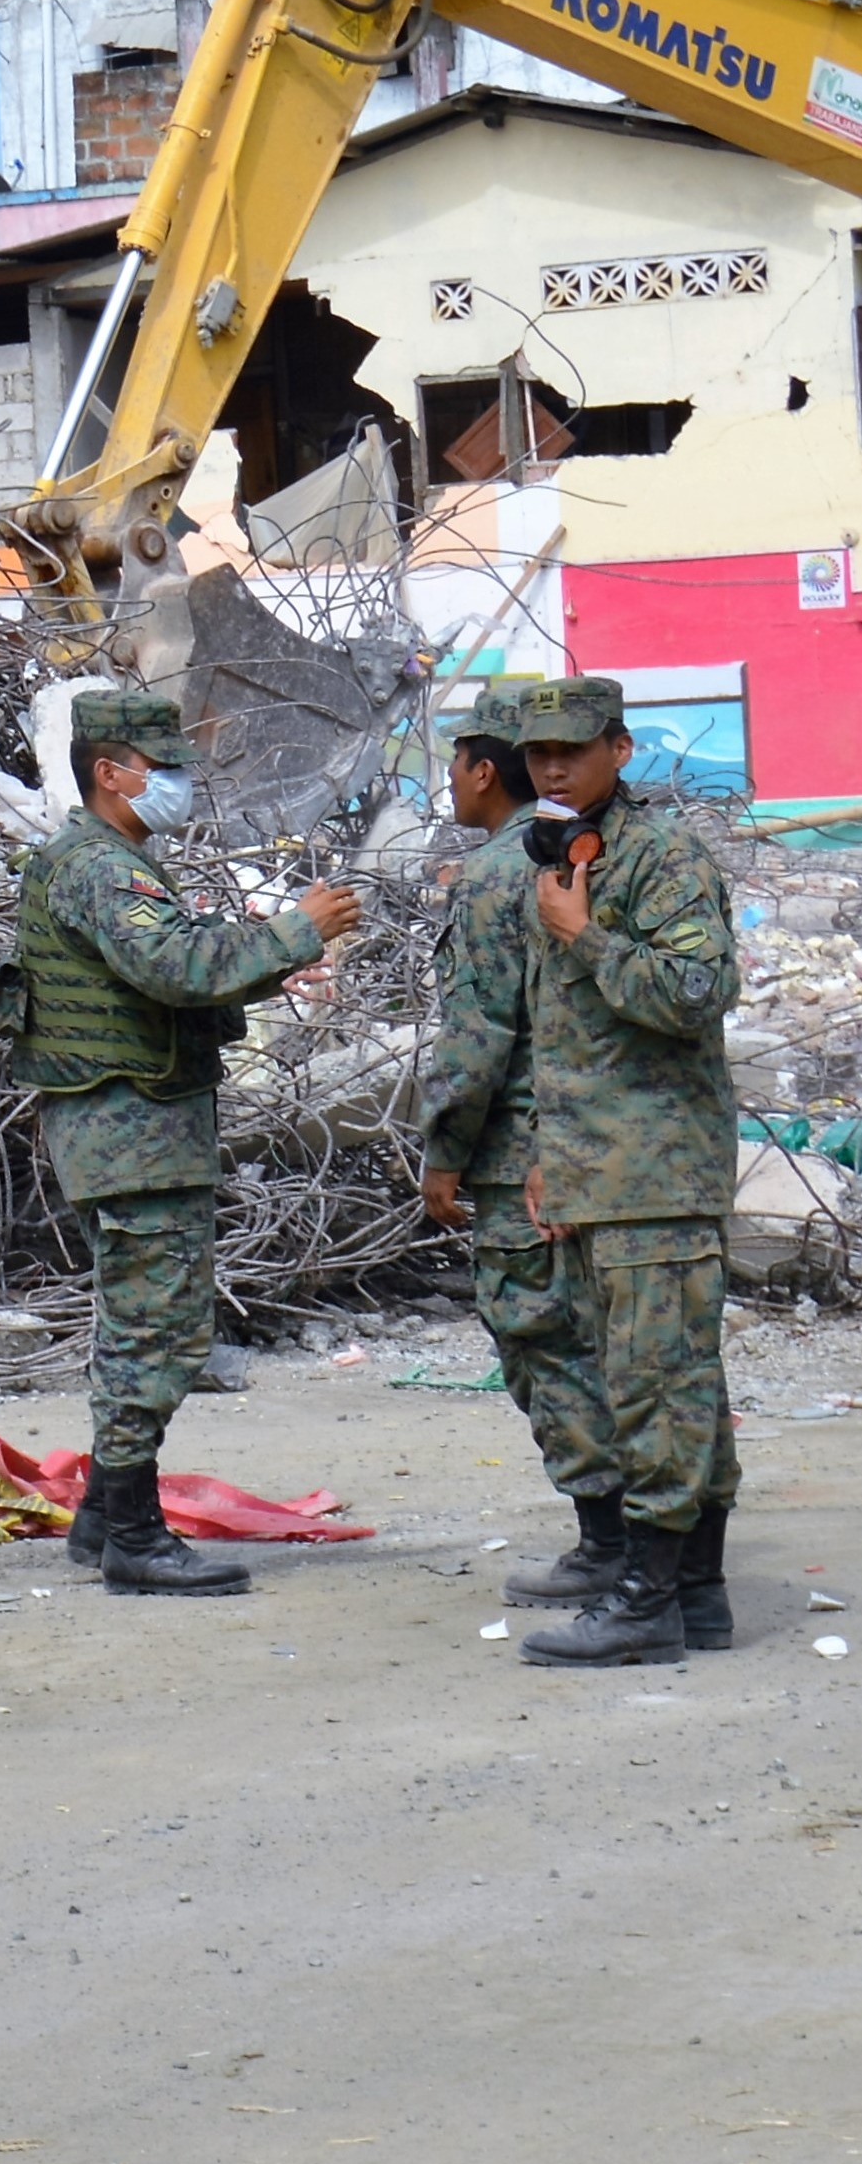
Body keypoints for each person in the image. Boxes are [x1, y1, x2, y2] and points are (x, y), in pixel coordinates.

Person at [3, 687, 361, 1596]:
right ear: (110, 774)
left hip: (137, 1123)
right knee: (154, 1329)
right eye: (162, 771)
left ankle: (103, 1516)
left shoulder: (116, 860)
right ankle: (132, 1532)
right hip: (129, 1130)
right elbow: (177, 967)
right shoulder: (96, 867)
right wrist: (296, 932)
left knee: (143, 1320)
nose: (178, 786)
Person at [504, 673, 743, 1665]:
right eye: (538, 753)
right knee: (662, 1378)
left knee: (655, 1384)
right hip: (598, 1167)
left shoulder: (660, 855)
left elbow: (696, 990)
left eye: (574, 748)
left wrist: (586, 937)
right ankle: (696, 1593)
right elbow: (557, 1036)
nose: (553, 766)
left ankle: (647, 1602)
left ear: (620, 749)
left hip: (657, 1167)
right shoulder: (561, 854)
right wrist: (544, 1153)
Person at [416, 687, 626, 1612]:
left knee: (542, 1342)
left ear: (480, 770)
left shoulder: (498, 872)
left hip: (520, 1158)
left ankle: (607, 1540)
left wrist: (443, 1150)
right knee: (604, 1337)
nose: (449, 785)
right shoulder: (567, 853)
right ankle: (642, 1535)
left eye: (454, 765)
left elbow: (477, 1033)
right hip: (595, 1139)